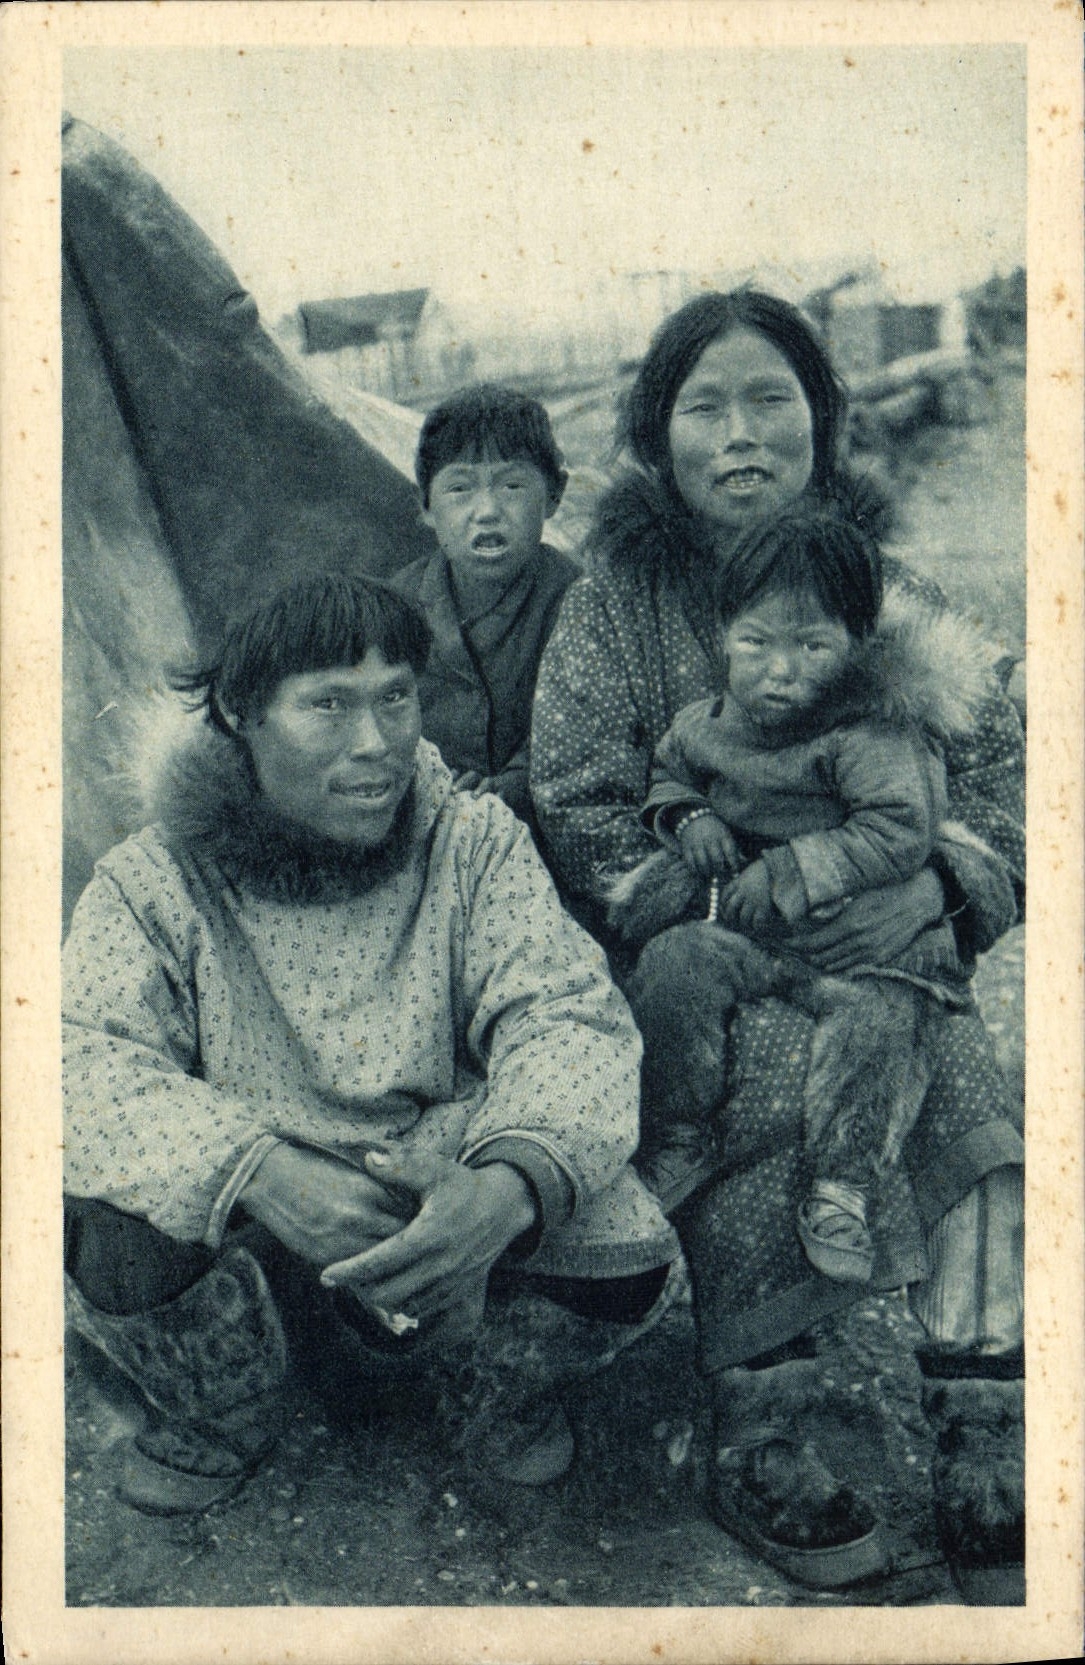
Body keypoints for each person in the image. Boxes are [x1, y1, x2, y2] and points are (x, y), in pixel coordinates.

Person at [531, 290, 1025, 1600]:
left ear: (821, 419)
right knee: (759, 1089)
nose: (740, 434)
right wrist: (696, 902)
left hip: (883, 940)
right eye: (705, 405)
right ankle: (765, 1424)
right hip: (702, 955)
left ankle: (985, 1411)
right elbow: (575, 802)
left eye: (769, 400)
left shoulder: (893, 596)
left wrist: (941, 893)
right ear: (656, 430)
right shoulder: (614, 608)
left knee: (964, 1089)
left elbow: (997, 794)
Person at [63, 570, 678, 1517]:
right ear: (241, 713)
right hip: (251, 1210)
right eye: (327, 705)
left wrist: (502, 1188)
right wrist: (255, 1167)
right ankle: (222, 1411)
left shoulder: (472, 839)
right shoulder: (152, 879)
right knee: (110, 1228)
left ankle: (483, 1392)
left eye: (396, 697)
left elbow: (565, 1012)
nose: (375, 743)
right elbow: (78, 1060)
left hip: (434, 1180)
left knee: (624, 1244)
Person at [608, 504, 1003, 1289]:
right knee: (672, 963)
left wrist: (789, 870)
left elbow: (901, 829)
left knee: (888, 1026)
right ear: (723, 633)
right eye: (754, 642)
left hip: (865, 945)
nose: (779, 670)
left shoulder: (872, 733)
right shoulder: (706, 723)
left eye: (811, 646)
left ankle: (842, 1186)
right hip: (751, 938)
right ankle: (675, 1136)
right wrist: (687, 818)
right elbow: (670, 772)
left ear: (856, 646)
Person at [390, 384, 578, 825]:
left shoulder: (578, 599)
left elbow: (582, 720)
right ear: (426, 505)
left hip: (546, 818)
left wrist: (515, 783)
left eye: (512, 485)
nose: (487, 510)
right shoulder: (396, 604)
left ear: (554, 495)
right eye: (460, 489)